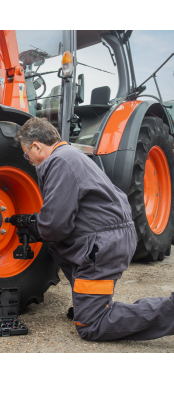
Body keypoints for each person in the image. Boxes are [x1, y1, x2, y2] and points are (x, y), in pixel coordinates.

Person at [14, 116, 174, 342]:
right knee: (58, 249)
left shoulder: (59, 162)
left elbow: (56, 226)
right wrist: (39, 223)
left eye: (26, 153)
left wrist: (34, 225)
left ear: (36, 145)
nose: (27, 159)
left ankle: (169, 311)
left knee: (91, 325)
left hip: (104, 243)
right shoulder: (70, 155)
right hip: (108, 235)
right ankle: (87, 301)